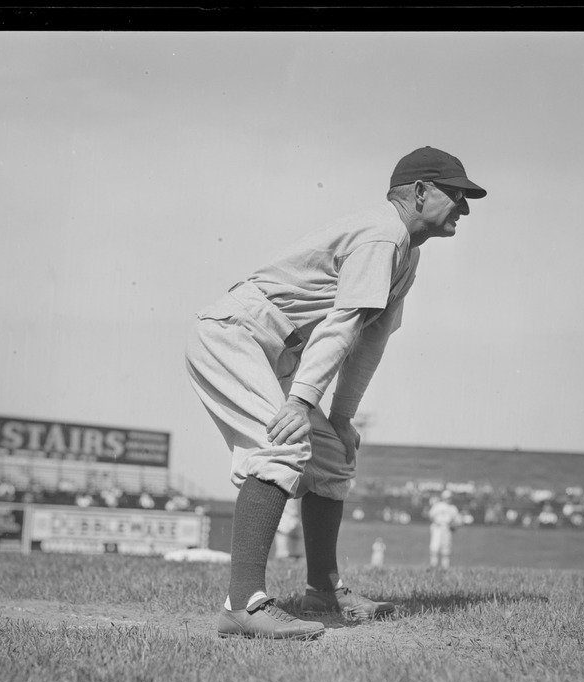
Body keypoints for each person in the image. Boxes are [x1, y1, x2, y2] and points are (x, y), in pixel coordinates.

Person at [185, 146, 486, 639]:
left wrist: (341, 417)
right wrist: (303, 400)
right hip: (235, 333)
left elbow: (369, 340)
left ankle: (322, 589)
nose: (465, 208)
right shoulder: (384, 235)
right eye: (456, 195)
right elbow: (343, 323)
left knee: (329, 455)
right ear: (419, 192)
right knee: (281, 443)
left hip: (275, 349)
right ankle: (243, 604)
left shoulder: (405, 254)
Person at [428, 490, 463, 569]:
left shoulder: (452, 508)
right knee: (434, 548)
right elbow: (430, 516)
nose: (448, 499)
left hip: (447, 528)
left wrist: (454, 525)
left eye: (449, 498)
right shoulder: (437, 506)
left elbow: (458, 521)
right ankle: (433, 566)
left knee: (446, 549)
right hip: (437, 527)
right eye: (447, 498)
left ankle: (445, 568)